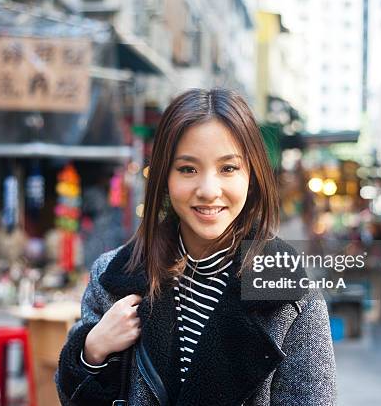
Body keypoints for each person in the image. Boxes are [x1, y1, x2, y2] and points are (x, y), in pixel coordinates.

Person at [55, 88, 336, 405]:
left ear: (252, 176)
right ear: (164, 176)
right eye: (187, 169)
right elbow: (72, 397)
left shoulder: (291, 291)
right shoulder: (113, 276)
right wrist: (92, 350)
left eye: (228, 168)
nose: (208, 190)